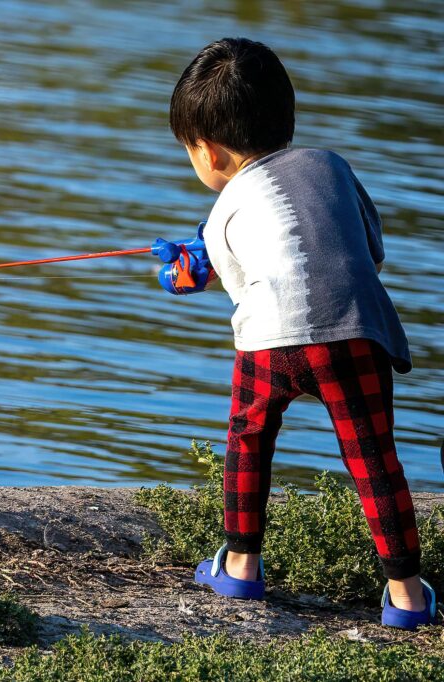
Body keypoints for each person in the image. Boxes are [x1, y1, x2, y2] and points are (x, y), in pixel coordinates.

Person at [169, 37, 435, 630]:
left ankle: (240, 566)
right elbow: (372, 248)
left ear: (207, 152)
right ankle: (407, 597)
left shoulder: (225, 207)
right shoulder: (332, 166)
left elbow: (237, 284)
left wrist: (191, 272)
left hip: (274, 335)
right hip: (355, 327)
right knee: (373, 456)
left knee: (249, 438)